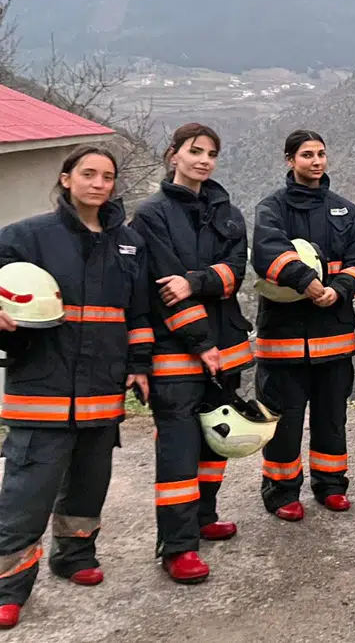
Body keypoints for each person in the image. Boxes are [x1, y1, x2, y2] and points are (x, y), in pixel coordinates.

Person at [0, 146, 152, 630]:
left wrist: (139, 364)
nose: (98, 184)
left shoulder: (127, 244)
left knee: (90, 483)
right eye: (88, 174)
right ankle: (8, 588)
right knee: (27, 492)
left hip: (102, 390)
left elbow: (138, 313)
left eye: (107, 176)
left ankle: (75, 555)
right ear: (66, 179)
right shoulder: (28, 236)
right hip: (40, 390)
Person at [129, 124, 254, 583]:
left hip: (226, 350)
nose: (204, 160)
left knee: (214, 444)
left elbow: (233, 274)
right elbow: (165, 285)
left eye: (212, 153)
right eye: (194, 151)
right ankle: (177, 547)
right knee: (179, 453)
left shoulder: (228, 213)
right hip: (176, 356)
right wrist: (201, 344)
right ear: (173, 155)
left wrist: (197, 280)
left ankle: (205, 517)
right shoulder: (150, 216)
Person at [251, 130, 355, 520]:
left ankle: (331, 485)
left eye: (321, 154)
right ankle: (281, 491)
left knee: (331, 419)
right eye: (307, 155)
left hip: (333, 337)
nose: (316, 161)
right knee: (283, 424)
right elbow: (268, 249)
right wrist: (306, 281)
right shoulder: (272, 208)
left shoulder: (345, 211)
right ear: (290, 160)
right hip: (283, 343)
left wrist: (340, 289)